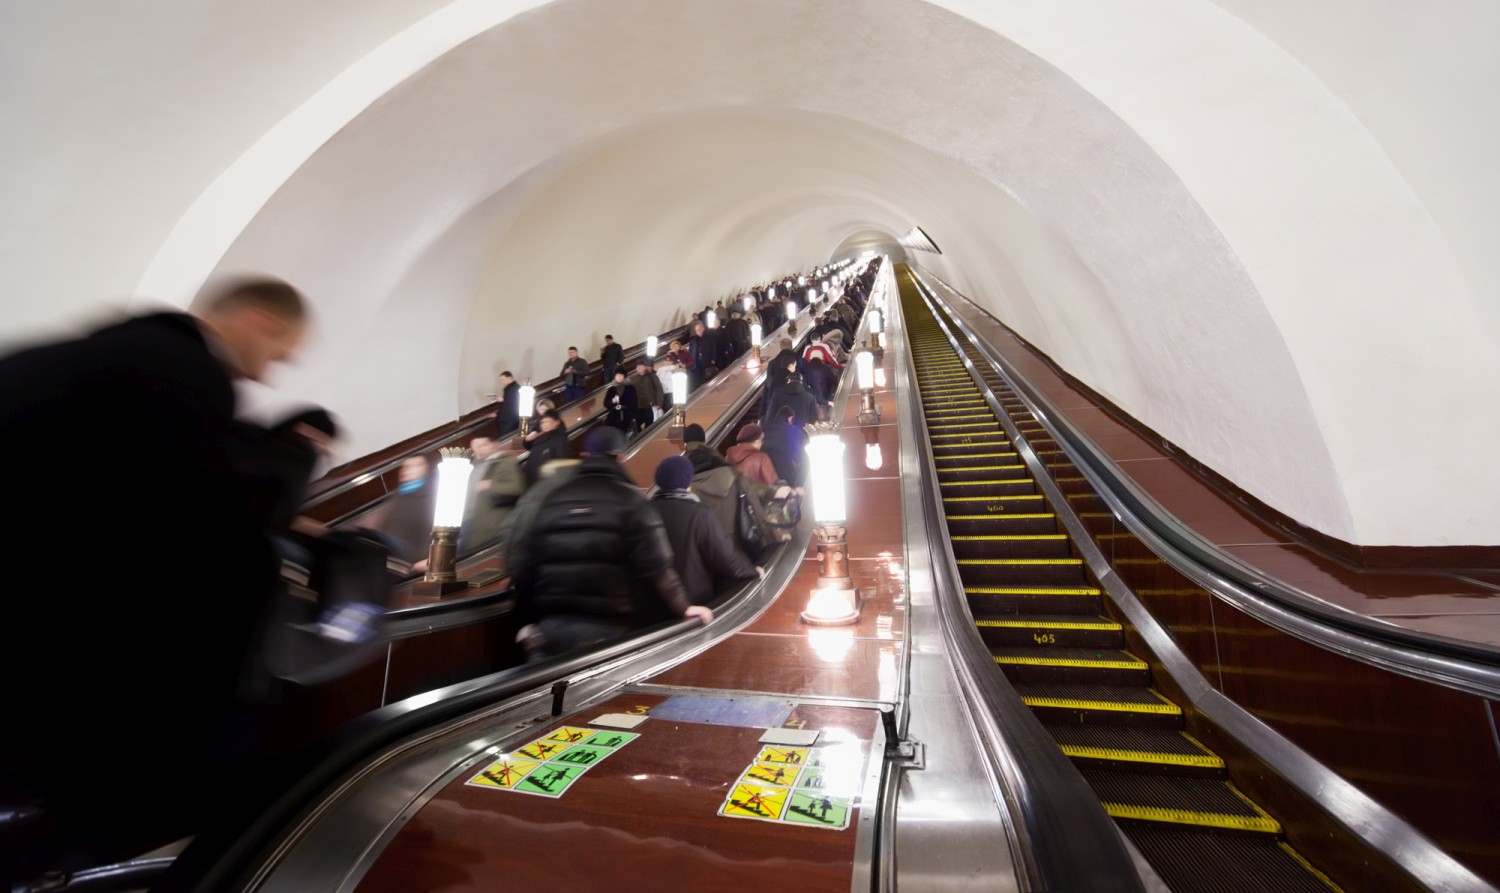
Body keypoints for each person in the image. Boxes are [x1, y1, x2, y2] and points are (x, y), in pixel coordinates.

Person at [0, 276, 309, 880]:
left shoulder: (63, 360)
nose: (267, 376)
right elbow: (186, 548)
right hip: (68, 680)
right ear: (257, 322)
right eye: (277, 355)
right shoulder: (182, 380)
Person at [505, 427, 711, 660]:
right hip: (608, 633)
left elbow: (524, 565)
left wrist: (525, 623)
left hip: (551, 629)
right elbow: (658, 567)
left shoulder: (553, 499)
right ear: (621, 457)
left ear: (583, 456)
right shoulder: (632, 500)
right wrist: (684, 607)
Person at [651, 456, 760, 606]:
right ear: (688, 483)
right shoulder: (698, 514)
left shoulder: (646, 512)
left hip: (654, 596)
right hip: (693, 598)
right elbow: (723, 556)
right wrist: (751, 570)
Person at [680, 424, 778, 565]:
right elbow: (749, 491)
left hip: (704, 554)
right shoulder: (720, 461)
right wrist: (768, 536)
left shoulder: (681, 472)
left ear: (685, 442)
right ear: (704, 439)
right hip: (735, 546)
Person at [458, 436, 526, 555]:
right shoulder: (471, 466)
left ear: (493, 444)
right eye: (475, 447)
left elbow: (516, 487)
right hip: (466, 520)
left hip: (488, 521)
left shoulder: (505, 463)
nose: (478, 450)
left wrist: (491, 485)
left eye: (482, 445)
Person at [372, 454, 438, 565]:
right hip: (391, 560)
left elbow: (433, 530)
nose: (406, 470)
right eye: (405, 467)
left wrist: (426, 558)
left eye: (413, 466)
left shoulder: (431, 496)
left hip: (412, 564)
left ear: (425, 469)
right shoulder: (398, 494)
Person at [761, 405, 808, 485]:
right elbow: (801, 455)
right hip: (785, 474)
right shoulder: (794, 431)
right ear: (790, 418)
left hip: (765, 474)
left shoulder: (764, 429)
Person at [523, 408, 569, 483]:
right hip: (532, 480)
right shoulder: (540, 436)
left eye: (547, 421)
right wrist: (527, 440)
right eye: (542, 423)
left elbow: (561, 464)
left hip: (545, 483)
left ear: (556, 422)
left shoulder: (560, 440)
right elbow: (530, 447)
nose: (544, 425)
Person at [629, 359, 665, 429]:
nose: (638, 368)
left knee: (650, 424)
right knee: (637, 423)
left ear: (645, 367)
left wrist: (659, 402)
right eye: (637, 366)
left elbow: (659, 389)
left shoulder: (652, 376)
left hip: (650, 405)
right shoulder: (633, 379)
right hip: (638, 406)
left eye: (640, 366)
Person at [494, 370, 522, 436]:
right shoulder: (509, 388)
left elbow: (515, 402)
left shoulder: (516, 388)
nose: (502, 382)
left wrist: (503, 400)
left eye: (503, 379)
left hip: (511, 418)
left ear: (509, 378)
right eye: (501, 380)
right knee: (503, 435)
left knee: (505, 436)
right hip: (506, 417)